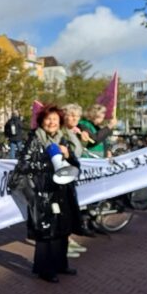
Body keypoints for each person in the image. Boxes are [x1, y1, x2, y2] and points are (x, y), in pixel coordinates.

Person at [10, 104, 83, 283]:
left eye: (55, 120)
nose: (51, 123)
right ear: (42, 121)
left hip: (61, 191)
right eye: (48, 119)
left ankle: (61, 264)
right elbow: (23, 165)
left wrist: (68, 154)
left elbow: (76, 166)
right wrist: (47, 161)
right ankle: (45, 269)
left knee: (62, 228)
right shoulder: (35, 139)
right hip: (42, 191)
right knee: (45, 231)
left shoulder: (63, 138)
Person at [61, 103, 90, 258]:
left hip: (71, 174)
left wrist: (82, 137)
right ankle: (63, 242)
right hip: (63, 174)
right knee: (64, 210)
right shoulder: (62, 132)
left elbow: (78, 151)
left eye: (76, 116)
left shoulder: (73, 131)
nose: (74, 119)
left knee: (69, 209)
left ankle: (67, 239)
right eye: (71, 115)